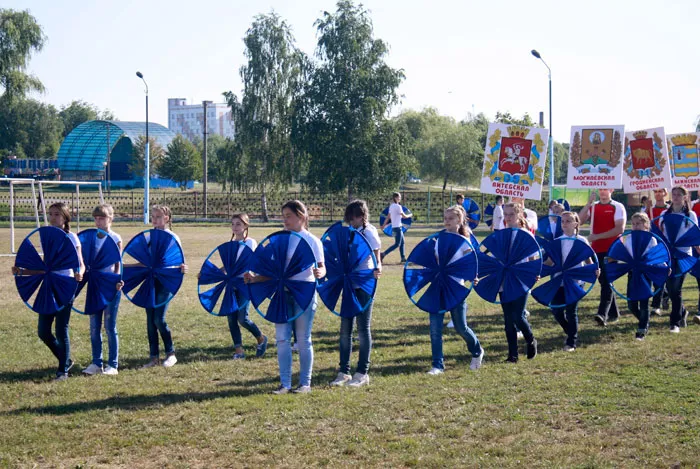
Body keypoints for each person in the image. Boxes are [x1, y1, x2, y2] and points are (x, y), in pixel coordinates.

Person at [245, 200, 325, 394]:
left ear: (301, 216)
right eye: (283, 216)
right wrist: (255, 279)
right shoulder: (281, 239)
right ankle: (285, 384)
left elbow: (322, 266)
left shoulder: (313, 241)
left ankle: (305, 383)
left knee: (303, 339)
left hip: (304, 293)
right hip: (282, 294)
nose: (285, 220)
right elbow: (274, 272)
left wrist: (321, 273)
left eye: (288, 216)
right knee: (282, 339)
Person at [12, 202, 85, 381]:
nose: (53, 217)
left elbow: (81, 263)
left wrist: (80, 274)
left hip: (66, 286)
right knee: (43, 331)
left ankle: (63, 372)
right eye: (51, 214)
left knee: (61, 329)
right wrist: (22, 272)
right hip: (48, 286)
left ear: (65, 217)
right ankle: (66, 360)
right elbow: (46, 268)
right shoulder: (48, 235)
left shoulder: (72, 238)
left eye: (57, 214)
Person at [424, 205, 484, 374]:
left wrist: (473, 276)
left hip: (456, 288)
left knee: (460, 327)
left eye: (450, 218)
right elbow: (435, 260)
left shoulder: (464, 241)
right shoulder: (439, 239)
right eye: (445, 218)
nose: (447, 221)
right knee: (435, 328)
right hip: (438, 286)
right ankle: (437, 365)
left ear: (459, 220)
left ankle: (477, 351)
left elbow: (470, 262)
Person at [330, 200, 381, 388]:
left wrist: (379, 268)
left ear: (362, 215)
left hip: (365, 283)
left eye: (355, 217)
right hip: (349, 283)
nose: (352, 221)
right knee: (345, 329)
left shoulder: (369, 231)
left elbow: (377, 255)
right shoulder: (348, 232)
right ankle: (344, 371)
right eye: (349, 218)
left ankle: (362, 372)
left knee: (362, 328)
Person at [139, 205, 188, 369]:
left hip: (166, 281)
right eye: (153, 216)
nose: (155, 220)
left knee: (159, 319)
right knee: (150, 321)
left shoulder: (172, 236)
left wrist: (182, 268)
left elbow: (179, 260)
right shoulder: (149, 237)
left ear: (167, 218)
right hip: (150, 281)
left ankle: (171, 354)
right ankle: (153, 357)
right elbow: (143, 258)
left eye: (158, 217)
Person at [546, 211, 598, 351]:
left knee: (571, 311)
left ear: (576, 224)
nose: (565, 224)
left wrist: (594, 270)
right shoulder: (558, 241)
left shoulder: (582, 240)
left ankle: (571, 342)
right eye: (562, 221)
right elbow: (550, 261)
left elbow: (589, 260)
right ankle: (570, 332)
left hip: (576, 281)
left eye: (568, 221)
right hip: (559, 280)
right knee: (556, 310)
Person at [82, 204, 124, 376]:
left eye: (102, 218)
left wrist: (117, 281)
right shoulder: (91, 237)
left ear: (110, 219)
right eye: (96, 218)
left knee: (109, 326)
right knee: (94, 327)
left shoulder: (115, 238)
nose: (98, 221)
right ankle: (96, 363)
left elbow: (117, 265)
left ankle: (113, 364)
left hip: (110, 286)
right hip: (94, 285)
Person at [579, 189, 626, 327]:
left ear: (611, 190)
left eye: (606, 189)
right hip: (596, 250)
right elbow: (579, 221)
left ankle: (602, 314)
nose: (603, 192)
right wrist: (588, 204)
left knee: (606, 280)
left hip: (612, 250)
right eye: (601, 189)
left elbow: (619, 229)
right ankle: (614, 313)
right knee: (603, 280)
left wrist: (597, 236)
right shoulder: (593, 206)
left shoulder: (617, 206)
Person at [500, 202, 538, 362]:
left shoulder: (526, 234)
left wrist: (534, 273)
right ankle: (512, 355)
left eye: (511, 214)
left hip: (521, 279)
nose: (508, 218)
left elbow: (534, 258)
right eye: (505, 214)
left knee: (518, 316)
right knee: (508, 319)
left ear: (520, 215)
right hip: (504, 279)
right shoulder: (501, 233)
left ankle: (531, 340)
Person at [228, 213, 268, 360]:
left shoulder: (251, 242)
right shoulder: (231, 244)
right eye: (233, 224)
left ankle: (261, 339)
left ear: (246, 225)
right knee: (231, 318)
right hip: (231, 284)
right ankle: (238, 350)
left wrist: (251, 274)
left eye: (238, 224)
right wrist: (209, 273)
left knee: (242, 318)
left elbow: (255, 262)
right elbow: (228, 266)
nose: (235, 227)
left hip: (245, 285)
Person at [661, 187, 697, 333]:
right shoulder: (664, 214)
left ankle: (674, 323)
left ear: (685, 197)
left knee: (676, 289)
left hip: (683, 256)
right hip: (668, 256)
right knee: (671, 289)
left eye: (679, 195)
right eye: (673, 195)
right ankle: (682, 312)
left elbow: (694, 235)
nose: (675, 197)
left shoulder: (691, 215)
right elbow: (660, 236)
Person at [622, 213, 660, 340]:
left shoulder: (651, 239)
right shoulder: (629, 239)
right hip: (633, 273)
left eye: (638, 224)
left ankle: (642, 328)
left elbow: (656, 256)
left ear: (645, 225)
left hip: (645, 273)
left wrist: (665, 268)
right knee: (631, 305)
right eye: (633, 224)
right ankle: (644, 320)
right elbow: (626, 255)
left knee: (644, 303)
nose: (635, 226)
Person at [646, 189, 670, 315]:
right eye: (655, 191)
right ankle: (663, 296)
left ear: (665, 193)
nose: (658, 194)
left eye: (661, 191)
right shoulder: (649, 209)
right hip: (652, 247)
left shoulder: (670, 209)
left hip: (667, 247)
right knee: (656, 276)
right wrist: (646, 209)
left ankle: (657, 304)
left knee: (662, 275)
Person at [381, 192, 412, 263]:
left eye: (400, 197)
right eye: (399, 197)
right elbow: (404, 216)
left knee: (402, 242)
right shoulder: (398, 207)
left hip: (394, 228)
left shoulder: (391, 206)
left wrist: (383, 225)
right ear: (395, 198)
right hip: (398, 228)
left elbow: (388, 217)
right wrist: (410, 215)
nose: (400, 198)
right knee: (397, 244)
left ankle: (403, 258)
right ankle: (383, 254)